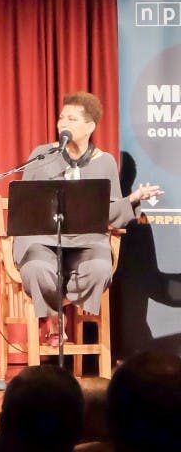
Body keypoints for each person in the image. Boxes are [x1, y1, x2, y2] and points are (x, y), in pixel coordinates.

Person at [13, 92, 162, 346]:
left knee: (100, 269)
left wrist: (133, 199)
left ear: (90, 126)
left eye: (71, 119)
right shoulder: (42, 155)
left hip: (86, 243)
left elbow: (112, 215)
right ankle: (54, 319)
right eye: (61, 118)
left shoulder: (104, 162)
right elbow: (27, 205)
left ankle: (53, 310)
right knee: (37, 268)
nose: (63, 124)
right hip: (43, 240)